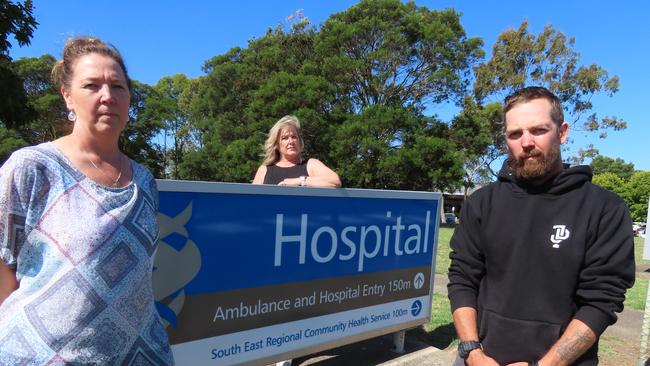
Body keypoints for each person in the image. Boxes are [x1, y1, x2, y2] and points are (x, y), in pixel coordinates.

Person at [0, 37, 174, 365]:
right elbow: (2, 268)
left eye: (118, 86)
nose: (107, 96)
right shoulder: (32, 167)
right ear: (67, 96)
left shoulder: (145, 180)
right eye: (91, 85)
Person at [447, 86, 635, 366]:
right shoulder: (482, 203)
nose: (526, 142)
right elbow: (462, 277)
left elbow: (600, 302)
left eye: (538, 130)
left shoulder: (605, 209)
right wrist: (472, 351)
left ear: (562, 132)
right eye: (515, 134)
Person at [253, 115, 341, 188]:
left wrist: (300, 181)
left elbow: (334, 181)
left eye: (294, 137)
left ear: (299, 141)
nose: (291, 141)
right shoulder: (264, 170)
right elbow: (252, 201)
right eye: (285, 138)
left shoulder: (311, 165)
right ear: (276, 144)